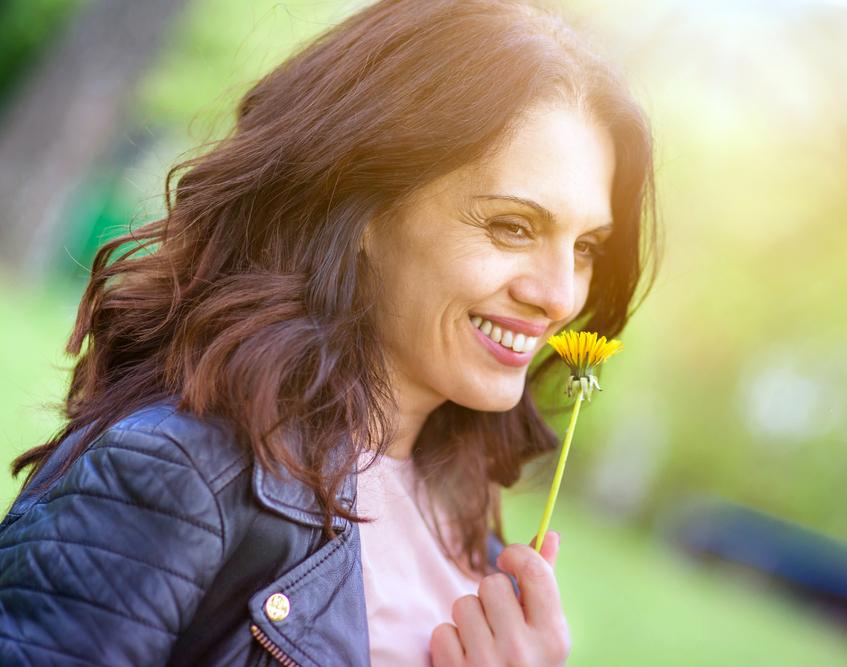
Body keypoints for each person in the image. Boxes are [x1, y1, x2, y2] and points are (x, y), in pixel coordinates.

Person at [0, 0, 660, 664]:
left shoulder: (471, 535)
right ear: (365, 204)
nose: (556, 295)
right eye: (513, 226)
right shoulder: (182, 476)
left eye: (585, 248)